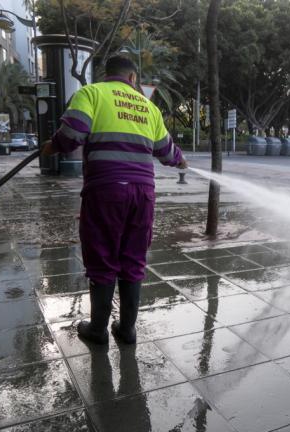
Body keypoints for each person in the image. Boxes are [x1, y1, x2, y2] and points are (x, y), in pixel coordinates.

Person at [42, 56, 187, 345]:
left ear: (107, 74)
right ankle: (127, 330)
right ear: (133, 78)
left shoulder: (92, 93)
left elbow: (72, 133)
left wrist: (51, 146)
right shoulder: (148, 107)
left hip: (106, 190)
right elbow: (167, 152)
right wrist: (182, 161)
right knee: (133, 259)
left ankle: (98, 330)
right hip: (143, 194)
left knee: (102, 256)